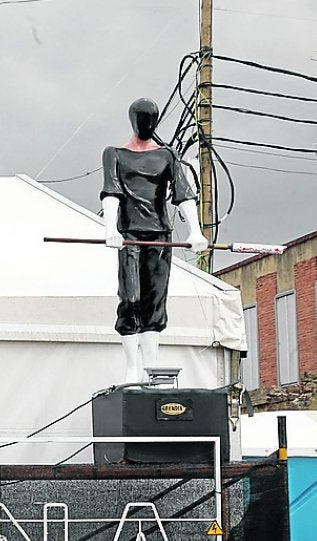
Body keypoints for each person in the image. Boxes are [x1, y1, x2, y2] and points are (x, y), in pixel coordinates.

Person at [100, 97, 208, 383]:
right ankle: (130, 366)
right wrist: (110, 228)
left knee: (155, 300)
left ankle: (151, 366)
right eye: (143, 120)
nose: (147, 125)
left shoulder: (167, 155)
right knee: (131, 296)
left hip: (160, 234)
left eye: (152, 120)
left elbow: (183, 193)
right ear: (134, 121)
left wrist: (194, 231)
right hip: (130, 235)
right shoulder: (115, 154)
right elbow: (111, 191)